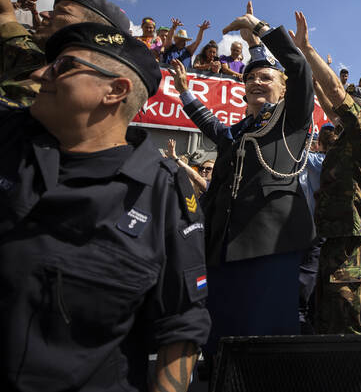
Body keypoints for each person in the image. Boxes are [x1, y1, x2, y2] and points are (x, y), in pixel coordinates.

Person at [0, 22, 210, 391]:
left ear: (115, 90)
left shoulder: (162, 193)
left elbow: (182, 322)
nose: (39, 74)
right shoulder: (9, 142)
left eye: (63, 67)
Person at [169, 1, 314, 351]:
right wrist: (185, 91)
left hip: (269, 247)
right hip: (223, 246)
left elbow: (299, 68)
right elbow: (212, 126)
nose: (256, 82)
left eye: (266, 77)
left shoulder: (291, 120)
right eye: (250, 78)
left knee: (263, 345)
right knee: (219, 335)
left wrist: (258, 28)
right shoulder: (238, 131)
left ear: (283, 88)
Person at [291, 11, 361, 335]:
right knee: (326, 314)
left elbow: (336, 95)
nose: (337, 109)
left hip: (352, 239)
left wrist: (308, 49)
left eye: (350, 104)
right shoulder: (346, 137)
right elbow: (327, 98)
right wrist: (306, 66)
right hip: (335, 235)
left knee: (345, 317)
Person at [1, 0, 132, 105]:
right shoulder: (32, 57)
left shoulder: (70, 100)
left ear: (91, 31)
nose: (43, 14)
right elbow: (5, 15)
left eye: (62, 12)